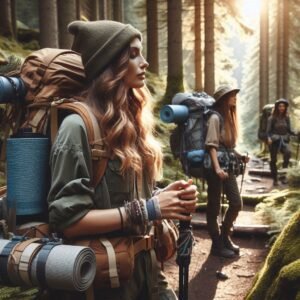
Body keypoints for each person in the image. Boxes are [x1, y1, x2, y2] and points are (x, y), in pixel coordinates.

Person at [47, 20, 198, 300]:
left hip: (148, 273)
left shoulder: (130, 124)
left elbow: (126, 198)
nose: (145, 62)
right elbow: (68, 221)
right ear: (109, 64)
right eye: (132, 54)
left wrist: (165, 197)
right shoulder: (77, 128)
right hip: (104, 283)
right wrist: (148, 209)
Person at [204, 86, 249, 258]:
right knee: (214, 205)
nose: (235, 98)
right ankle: (216, 243)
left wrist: (240, 156)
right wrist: (217, 169)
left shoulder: (228, 117)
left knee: (236, 203)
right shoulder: (215, 117)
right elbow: (212, 146)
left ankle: (225, 236)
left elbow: (227, 147)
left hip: (227, 166)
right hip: (214, 167)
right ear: (223, 99)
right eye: (232, 95)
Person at [267, 98, 295, 186]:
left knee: (288, 153)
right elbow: (268, 131)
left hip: (284, 140)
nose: (282, 108)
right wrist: (269, 138)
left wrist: (296, 133)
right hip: (274, 140)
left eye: (283, 106)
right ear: (277, 107)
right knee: (273, 160)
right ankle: (275, 179)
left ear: (285, 107)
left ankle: (283, 176)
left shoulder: (287, 118)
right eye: (280, 106)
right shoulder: (272, 118)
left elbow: (289, 130)